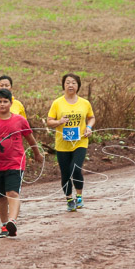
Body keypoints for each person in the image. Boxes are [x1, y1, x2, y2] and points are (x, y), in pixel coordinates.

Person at [0, 89, 43, 237]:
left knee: (12, 192)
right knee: (1, 196)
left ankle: (12, 221)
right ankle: (4, 226)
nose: (2, 104)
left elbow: (30, 138)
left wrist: (37, 153)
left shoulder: (20, 120)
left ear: (11, 103)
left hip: (16, 162)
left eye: (5, 101)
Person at [46, 73, 95, 212]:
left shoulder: (85, 103)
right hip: (62, 143)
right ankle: (69, 199)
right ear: (63, 85)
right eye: (67, 82)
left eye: (73, 82)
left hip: (80, 141)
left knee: (76, 168)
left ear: (78, 86)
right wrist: (59, 122)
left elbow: (91, 117)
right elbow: (49, 121)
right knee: (66, 173)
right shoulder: (57, 103)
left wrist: (89, 127)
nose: (70, 85)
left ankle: (79, 196)